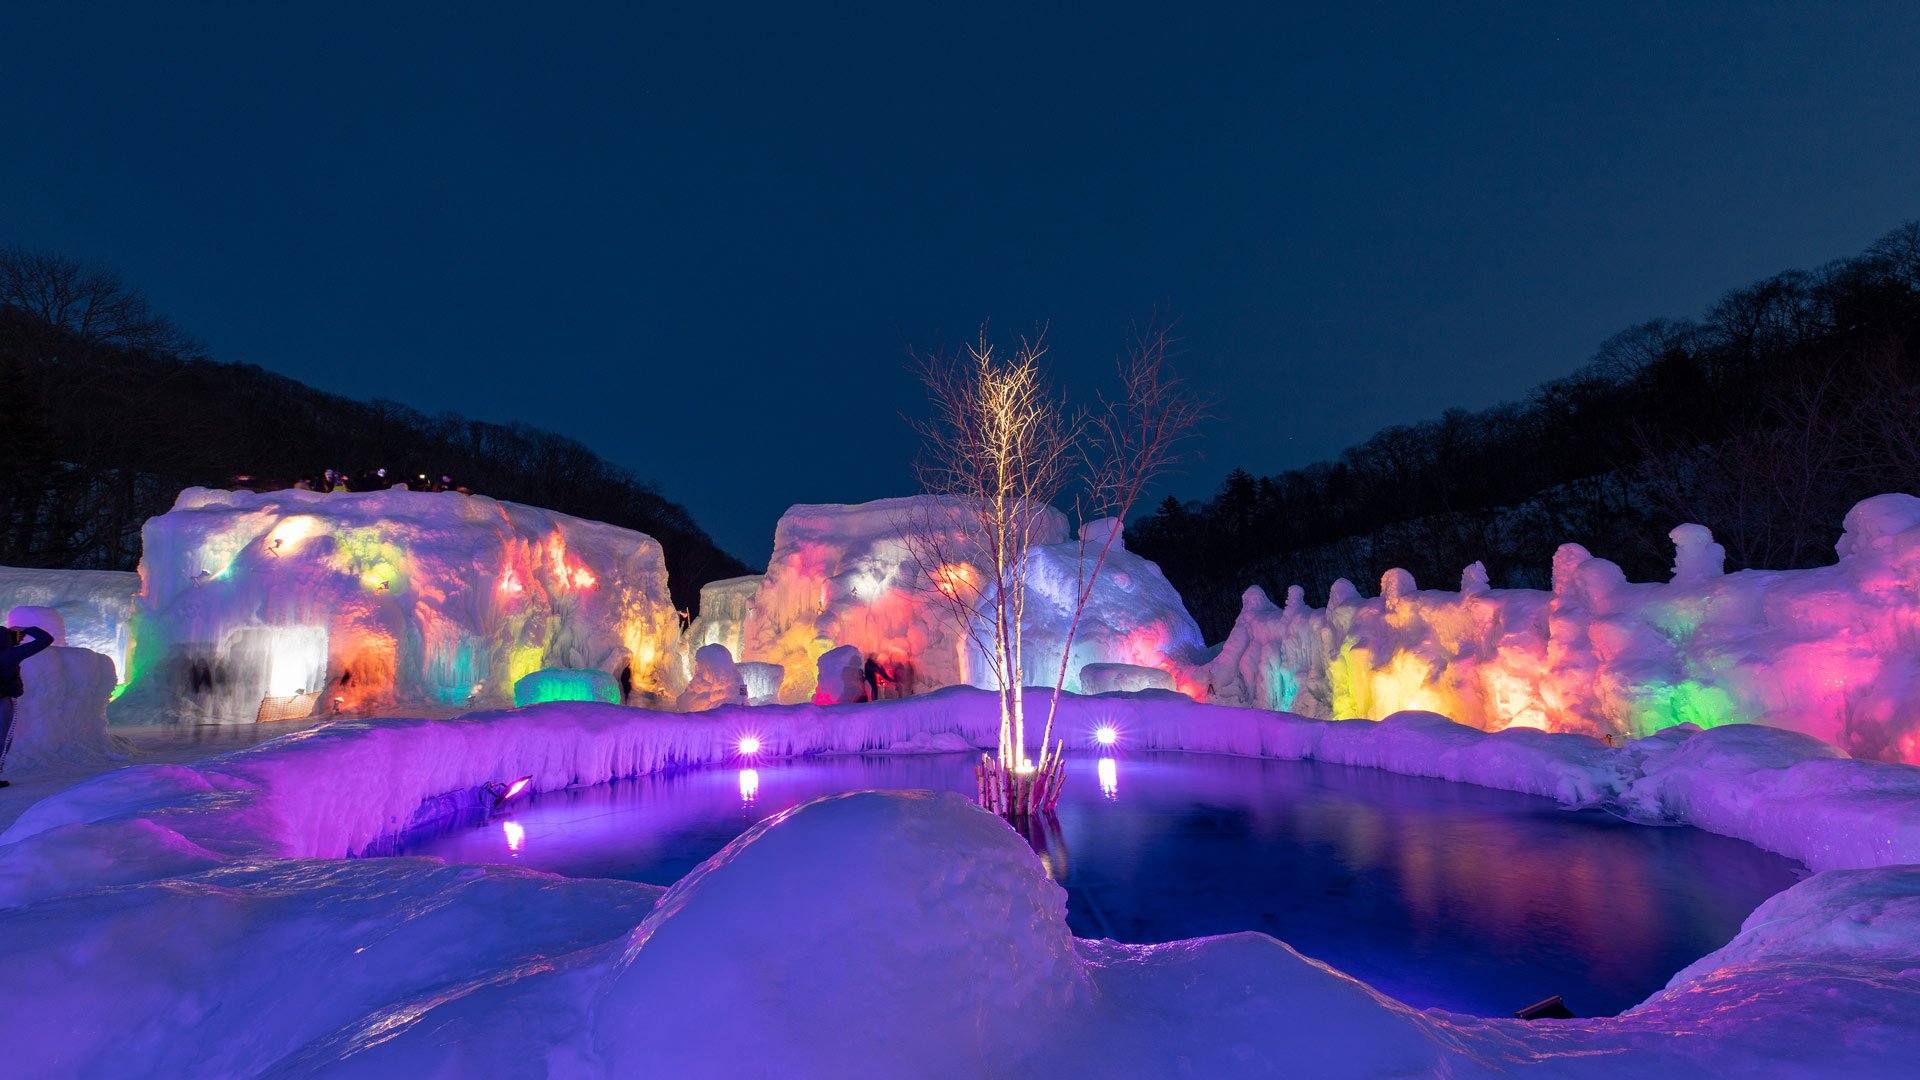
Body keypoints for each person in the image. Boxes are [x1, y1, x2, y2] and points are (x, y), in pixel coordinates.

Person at [0, 625, 56, 787]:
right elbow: (46, 639)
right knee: (2, 737)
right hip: (3, 700)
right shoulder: (10, 655)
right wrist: (26, 629)